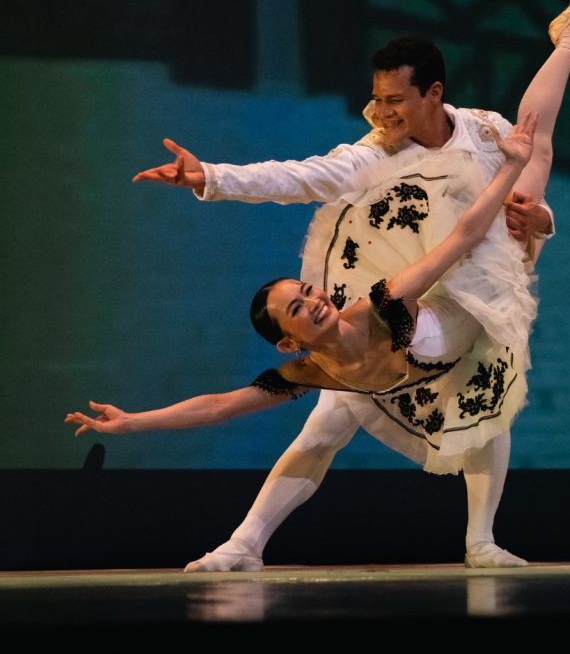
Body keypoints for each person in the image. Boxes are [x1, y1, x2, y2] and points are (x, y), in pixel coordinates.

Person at [126, 0, 570, 570]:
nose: (380, 111)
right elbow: (299, 177)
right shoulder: (373, 155)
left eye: (394, 99)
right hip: (418, 280)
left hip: (476, 268)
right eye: (377, 97)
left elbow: (477, 230)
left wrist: (539, 216)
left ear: (433, 93)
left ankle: (567, 43)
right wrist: (214, 177)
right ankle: (243, 544)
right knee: (329, 422)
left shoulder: (483, 131)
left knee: (534, 151)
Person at [66, 112, 536, 533]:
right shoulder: (310, 373)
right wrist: (131, 423)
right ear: (289, 344)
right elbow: (219, 406)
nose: (314, 301)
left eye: (308, 291)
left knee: (540, 151)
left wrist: (512, 165)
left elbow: (463, 236)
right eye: (297, 309)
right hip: (407, 372)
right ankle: (244, 543)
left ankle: (565, 53)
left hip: (476, 304)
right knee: (323, 430)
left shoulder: (383, 302)